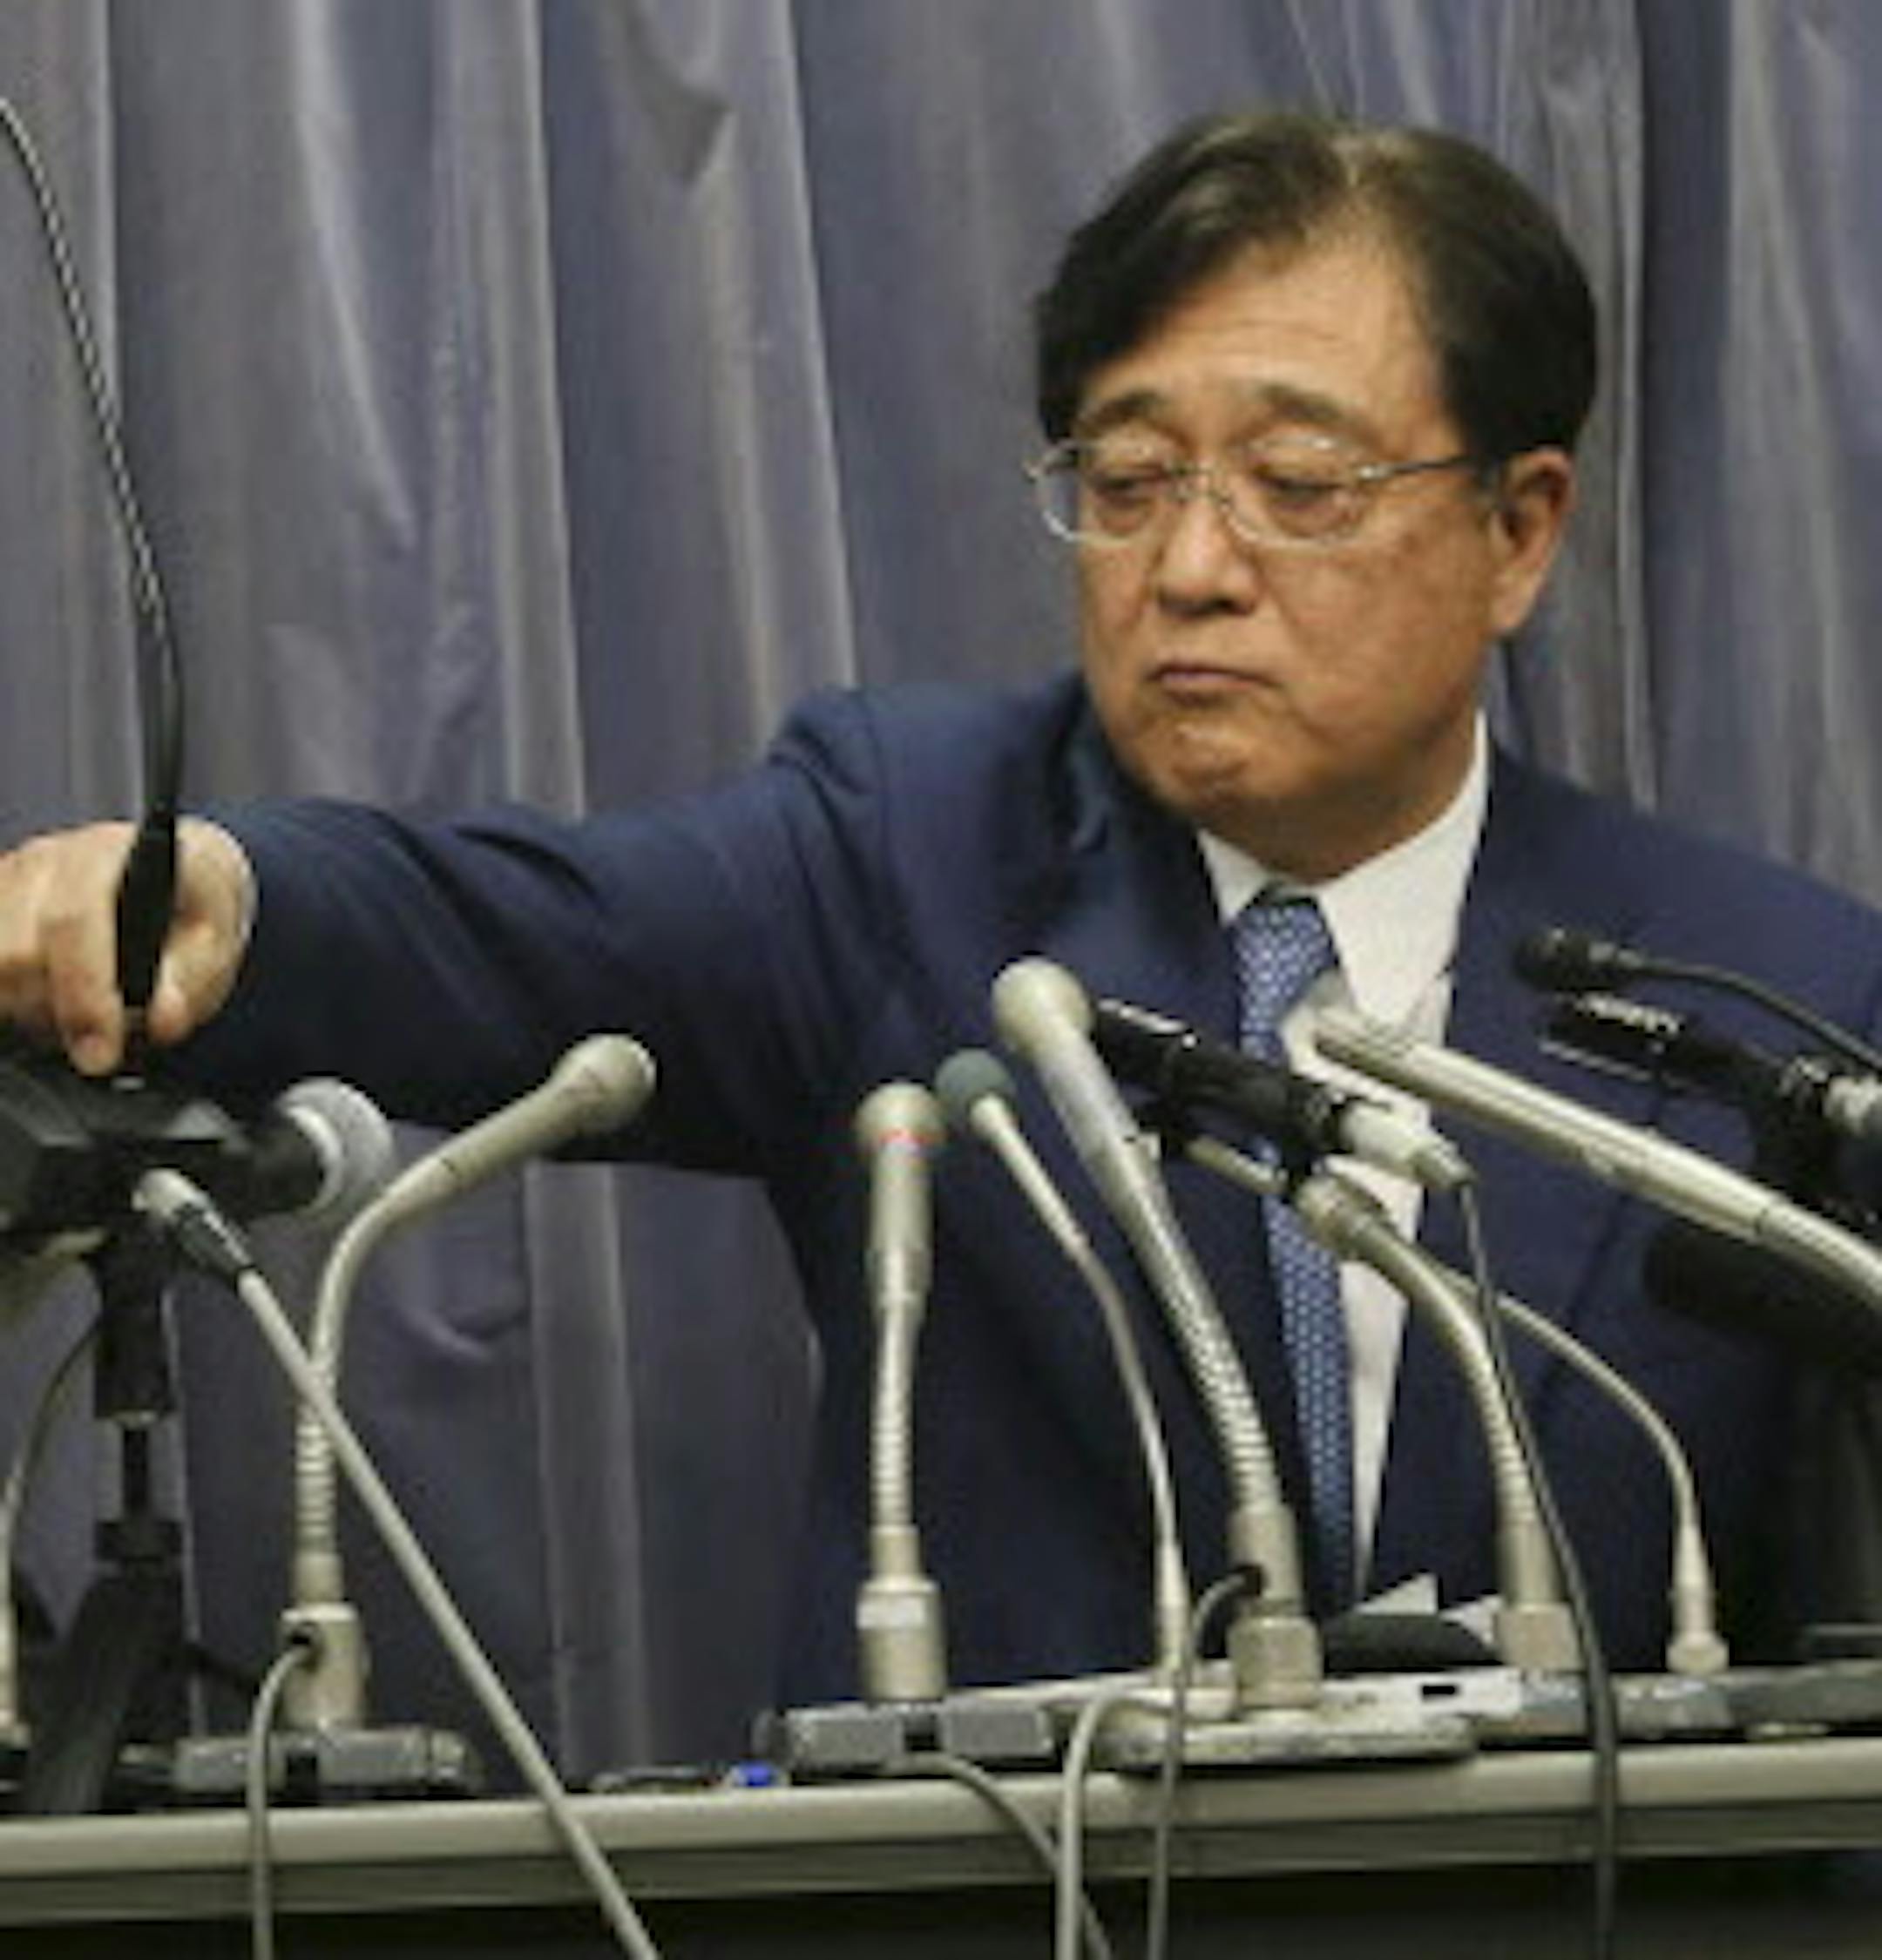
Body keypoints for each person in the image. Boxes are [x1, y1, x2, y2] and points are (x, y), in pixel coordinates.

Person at [2, 108, 1879, 1708]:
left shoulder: (1770, 1001)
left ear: (1520, 529)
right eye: (1129, 482)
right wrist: (237, 902)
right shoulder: (907, 853)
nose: (1194, 567)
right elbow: (516, 926)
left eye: (1299, 485)